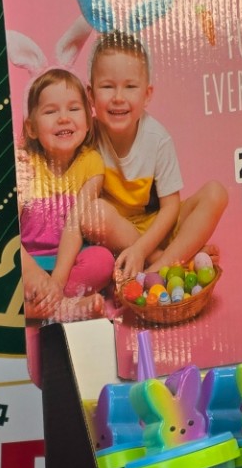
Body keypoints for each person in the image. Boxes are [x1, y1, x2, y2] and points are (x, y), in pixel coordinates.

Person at [81, 31, 226, 283]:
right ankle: (178, 258)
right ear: (91, 95)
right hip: (118, 234)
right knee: (93, 214)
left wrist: (141, 249)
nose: (118, 97)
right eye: (107, 86)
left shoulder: (157, 139)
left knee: (216, 193)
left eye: (130, 87)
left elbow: (170, 208)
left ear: (147, 95)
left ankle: (158, 267)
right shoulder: (87, 134)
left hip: (157, 227)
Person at [15, 68, 113, 321]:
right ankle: (64, 308)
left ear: (88, 121)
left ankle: (44, 305)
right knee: (0, 271)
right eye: (50, 111)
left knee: (102, 260)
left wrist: (57, 282)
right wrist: (33, 274)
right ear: (32, 128)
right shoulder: (25, 164)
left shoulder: (91, 163)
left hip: (69, 264)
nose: (63, 118)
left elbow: (74, 226)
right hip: (30, 262)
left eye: (73, 109)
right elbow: (9, 235)